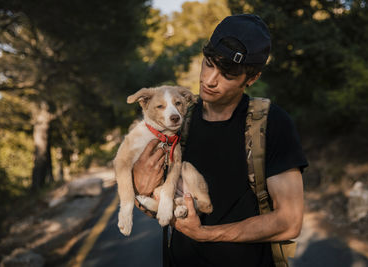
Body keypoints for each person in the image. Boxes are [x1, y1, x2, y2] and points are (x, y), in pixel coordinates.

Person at [132, 14, 308, 267]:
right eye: (209, 63)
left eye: (227, 74)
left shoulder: (272, 123)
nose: (210, 80)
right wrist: (142, 189)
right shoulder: (178, 120)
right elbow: (153, 204)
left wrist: (205, 235)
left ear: (252, 78)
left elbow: (290, 222)